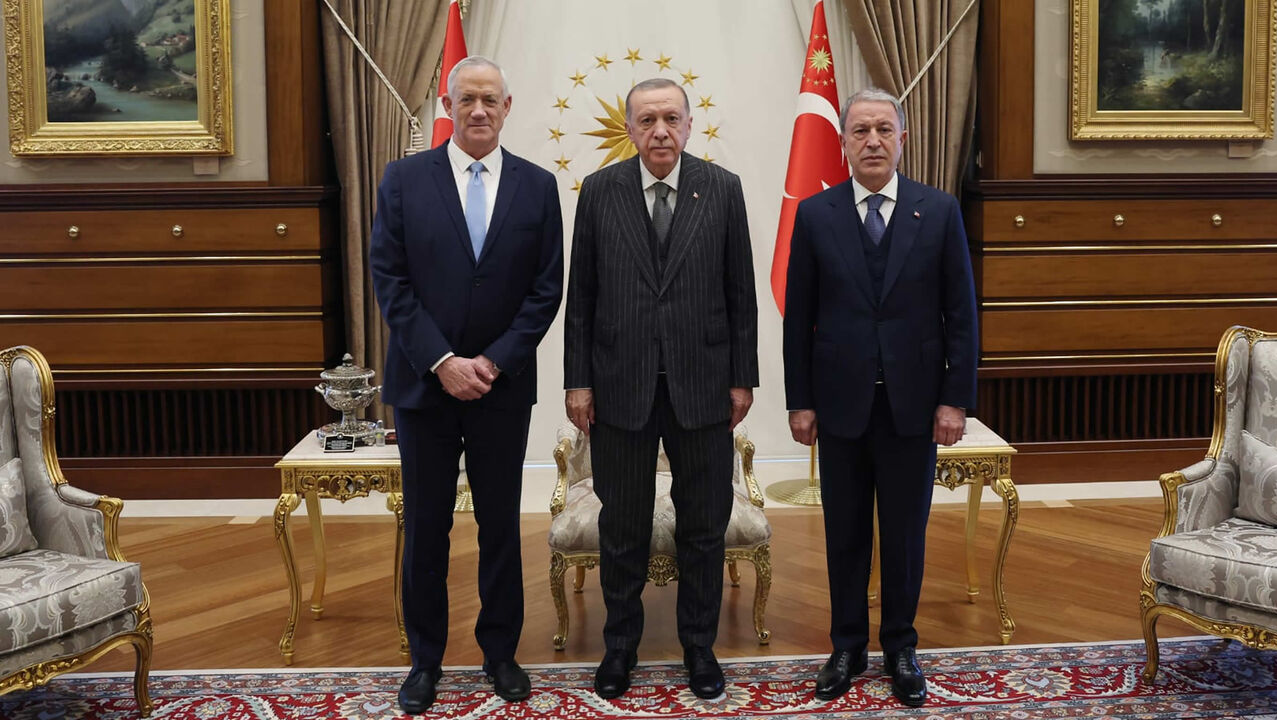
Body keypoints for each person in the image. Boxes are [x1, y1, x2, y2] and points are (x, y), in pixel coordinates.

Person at [369, 55, 563, 715]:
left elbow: (546, 290)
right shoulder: (402, 179)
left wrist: (495, 361)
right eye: (466, 99)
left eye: (490, 99)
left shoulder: (538, 187)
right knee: (426, 528)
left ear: (508, 108)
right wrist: (443, 361)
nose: (478, 110)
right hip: (424, 388)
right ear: (446, 108)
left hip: (502, 389)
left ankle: (500, 653)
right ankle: (425, 661)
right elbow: (389, 282)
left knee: (499, 525)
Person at [781, 87, 978, 708]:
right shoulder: (815, 215)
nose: (872, 141)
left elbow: (961, 315)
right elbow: (799, 319)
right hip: (838, 406)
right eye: (860, 131)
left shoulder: (939, 211)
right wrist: (799, 401)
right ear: (842, 142)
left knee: (904, 533)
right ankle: (846, 645)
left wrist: (955, 400)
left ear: (902, 138)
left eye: (883, 130)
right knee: (844, 533)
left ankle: (900, 646)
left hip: (913, 407)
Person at [563, 78, 758, 701]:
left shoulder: (722, 189)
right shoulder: (599, 192)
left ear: (690, 124)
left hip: (703, 386)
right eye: (646, 120)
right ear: (630, 128)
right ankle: (620, 647)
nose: (660, 131)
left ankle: (699, 647)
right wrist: (578, 382)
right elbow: (582, 300)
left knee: (705, 522)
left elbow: (741, 296)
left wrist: (742, 378)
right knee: (623, 525)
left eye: (671, 118)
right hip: (620, 387)